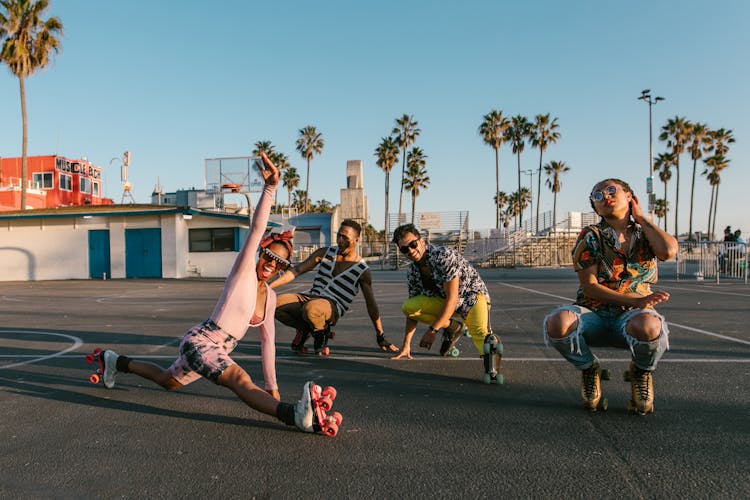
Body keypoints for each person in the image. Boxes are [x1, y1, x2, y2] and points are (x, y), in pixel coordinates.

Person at [94, 152, 335, 434]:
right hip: (202, 341)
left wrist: (273, 389)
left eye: (280, 262)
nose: (272, 264)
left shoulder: (269, 297)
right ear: (260, 253)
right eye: (269, 256)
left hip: (219, 349)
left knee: (167, 380)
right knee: (239, 379)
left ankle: (114, 360)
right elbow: (257, 229)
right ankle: (295, 416)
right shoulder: (243, 271)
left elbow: (267, 344)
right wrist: (270, 189)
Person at [543, 178, 678, 414]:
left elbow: (668, 251)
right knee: (558, 323)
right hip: (594, 313)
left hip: (632, 317)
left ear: (630, 197)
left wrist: (643, 219)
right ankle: (589, 368)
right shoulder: (591, 236)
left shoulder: (645, 234)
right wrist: (636, 301)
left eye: (611, 190)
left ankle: (641, 372)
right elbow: (590, 288)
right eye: (598, 195)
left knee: (649, 325)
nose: (605, 196)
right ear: (596, 208)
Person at [390, 223, 501, 382]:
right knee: (410, 307)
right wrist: (406, 345)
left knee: (480, 334)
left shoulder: (443, 256)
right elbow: (413, 313)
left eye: (413, 244)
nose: (410, 251)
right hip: (445, 302)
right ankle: (453, 327)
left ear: (422, 241)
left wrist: (433, 330)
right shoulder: (413, 272)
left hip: (471, 297)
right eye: (404, 249)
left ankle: (492, 367)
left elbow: (453, 297)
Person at [271, 219, 397, 355]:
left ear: (356, 240)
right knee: (274, 304)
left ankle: (321, 332)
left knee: (312, 309)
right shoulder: (324, 253)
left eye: (345, 237)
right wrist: (267, 286)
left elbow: (371, 304)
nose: (340, 240)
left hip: (332, 305)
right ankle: (307, 329)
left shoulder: (362, 270)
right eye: (339, 236)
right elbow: (297, 270)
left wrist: (380, 335)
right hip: (311, 296)